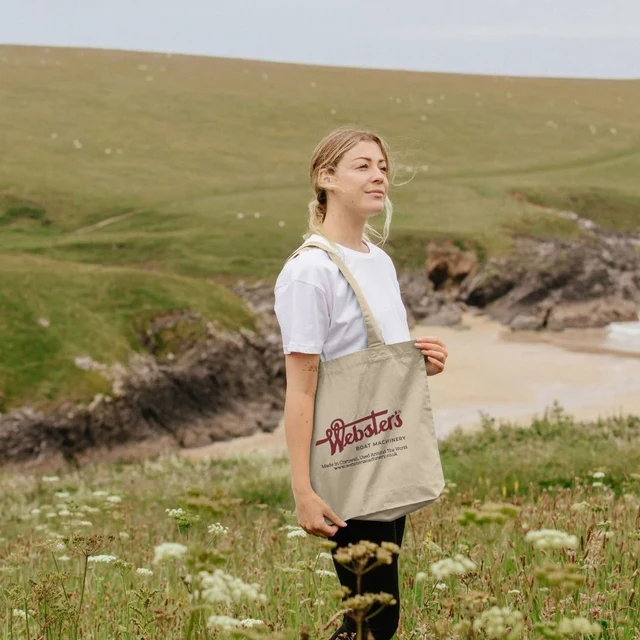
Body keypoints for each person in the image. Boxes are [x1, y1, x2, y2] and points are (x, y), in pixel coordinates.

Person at [273, 126, 448, 640]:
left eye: (382, 167)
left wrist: (418, 361)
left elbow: (371, 360)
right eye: (362, 166)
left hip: (386, 448)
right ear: (326, 178)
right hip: (347, 458)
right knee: (371, 618)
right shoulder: (310, 272)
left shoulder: (380, 259)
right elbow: (301, 388)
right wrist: (303, 489)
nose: (379, 176)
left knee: (373, 615)